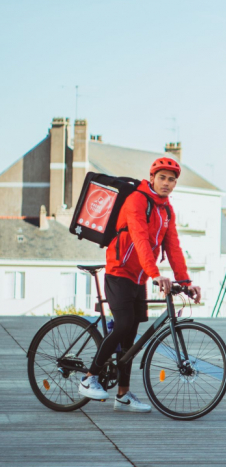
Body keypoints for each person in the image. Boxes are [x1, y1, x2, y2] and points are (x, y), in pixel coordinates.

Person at [78, 157, 202, 412]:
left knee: (131, 339)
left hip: (139, 278)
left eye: (171, 180)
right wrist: (156, 273)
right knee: (122, 325)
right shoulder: (137, 200)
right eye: (162, 178)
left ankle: (122, 395)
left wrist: (185, 281)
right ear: (152, 177)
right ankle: (89, 378)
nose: (166, 183)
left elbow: (173, 246)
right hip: (118, 272)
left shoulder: (166, 210)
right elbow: (140, 238)